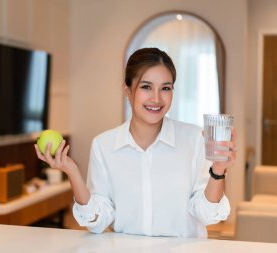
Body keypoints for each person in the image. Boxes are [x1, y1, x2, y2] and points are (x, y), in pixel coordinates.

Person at [34, 48, 237, 238]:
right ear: (127, 90)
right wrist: (72, 172)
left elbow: (207, 215)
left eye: (165, 88)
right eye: (146, 87)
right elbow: (96, 221)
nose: (156, 98)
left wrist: (218, 171)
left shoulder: (194, 139)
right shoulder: (104, 145)